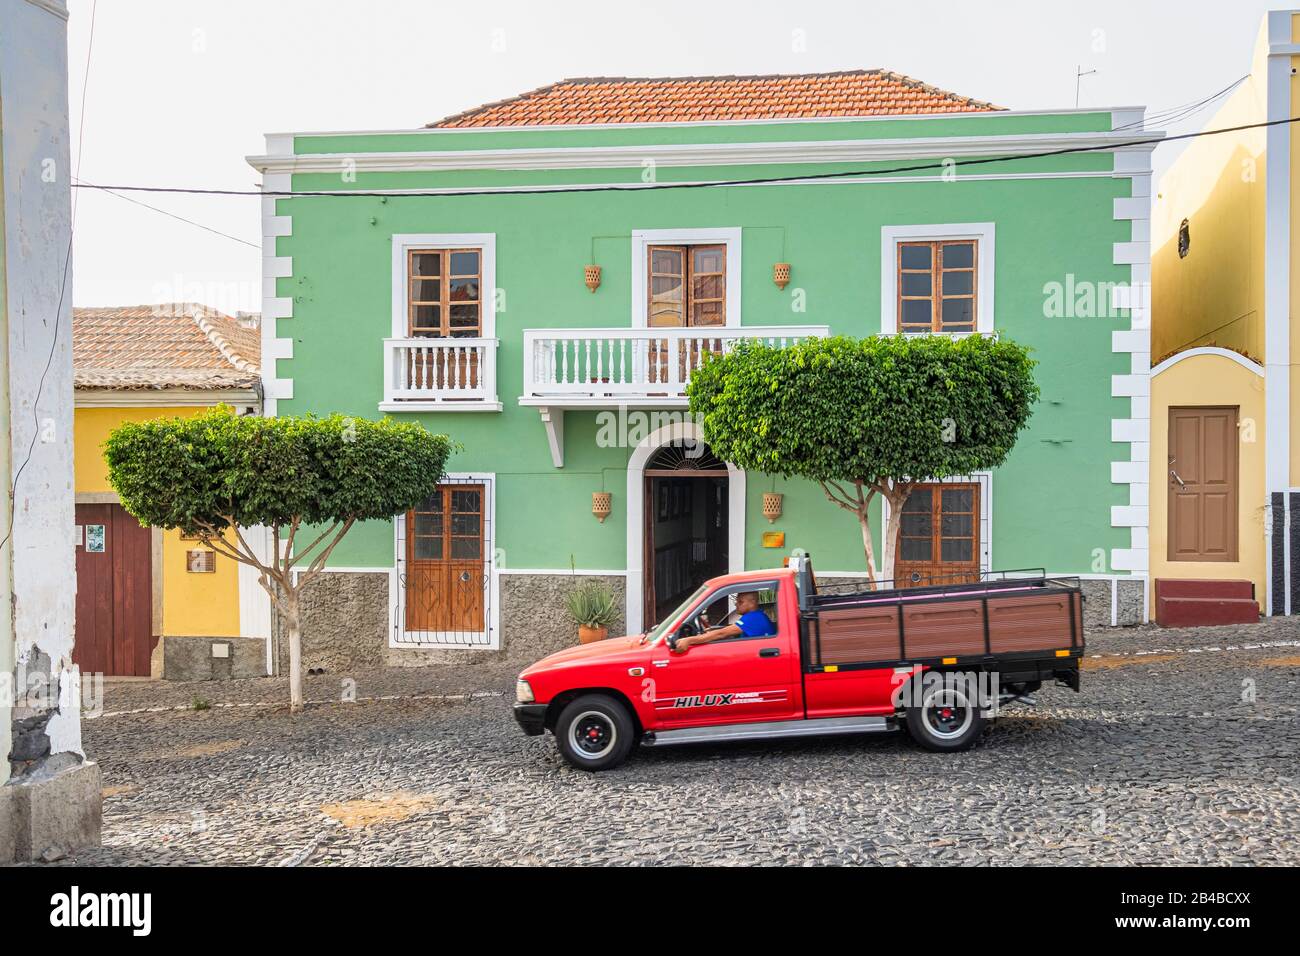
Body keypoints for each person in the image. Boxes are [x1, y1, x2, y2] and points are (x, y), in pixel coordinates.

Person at [673, 591, 775, 651]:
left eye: (740, 602)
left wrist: (689, 640)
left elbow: (722, 634)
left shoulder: (754, 618)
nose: (736, 604)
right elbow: (730, 628)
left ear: (753, 603)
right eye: (736, 601)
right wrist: (711, 631)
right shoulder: (756, 616)